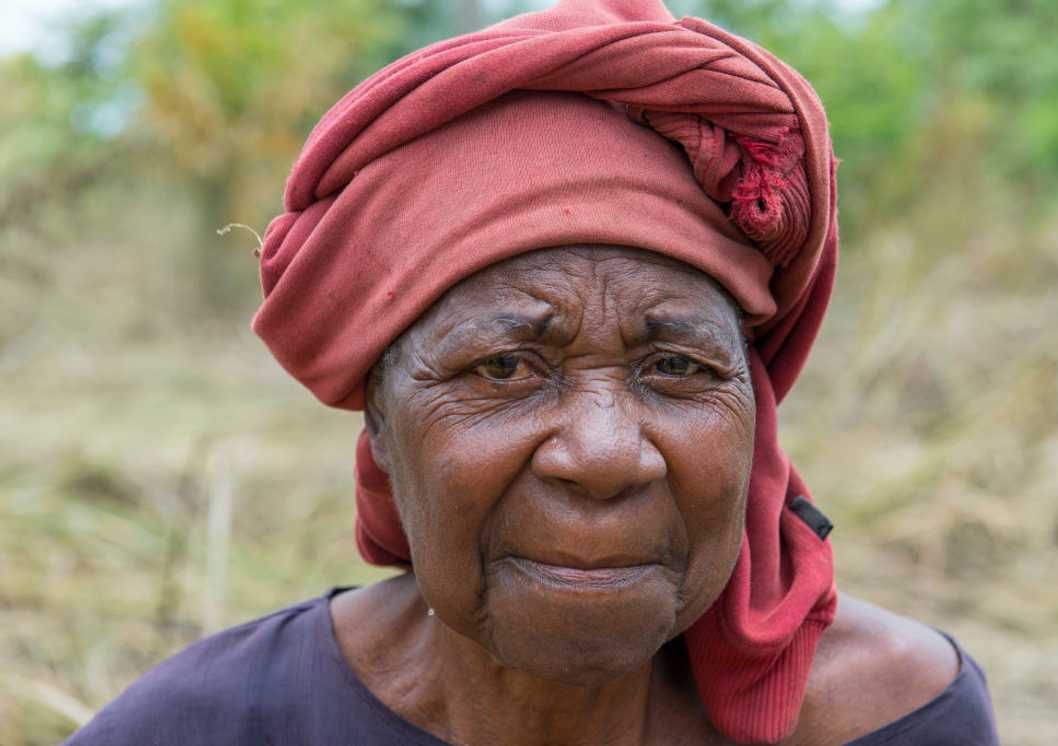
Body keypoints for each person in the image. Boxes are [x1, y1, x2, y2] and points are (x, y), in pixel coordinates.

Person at [65, 0, 1000, 743]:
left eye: (675, 366)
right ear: (381, 429)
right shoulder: (209, 727)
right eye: (506, 365)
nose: (602, 455)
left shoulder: (894, 721)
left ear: (755, 414)